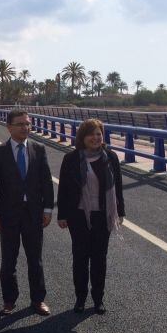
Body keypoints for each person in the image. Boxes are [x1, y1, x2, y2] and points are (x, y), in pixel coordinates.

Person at [57, 118, 125, 314]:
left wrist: (120, 212)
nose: (95, 138)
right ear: (82, 137)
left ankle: (98, 298)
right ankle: (80, 298)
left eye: (99, 134)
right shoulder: (71, 159)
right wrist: (62, 215)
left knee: (99, 258)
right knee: (79, 258)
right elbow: (64, 190)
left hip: (103, 215)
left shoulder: (110, 157)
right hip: (78, 216)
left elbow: (118, 187)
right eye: (91, 134)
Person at [0, 110, 55, 316]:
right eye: (20, 124)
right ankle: (9, 300)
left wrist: (47, 209)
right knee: (8, 260)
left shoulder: (39, 149)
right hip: (8, 213)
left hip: (33, 213)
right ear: (9, 127)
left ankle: (38, 300)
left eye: (28, 124)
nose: (25, 128)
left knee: (35, 259)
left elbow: (46, 181)